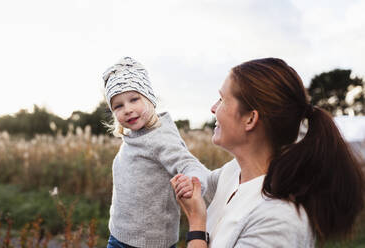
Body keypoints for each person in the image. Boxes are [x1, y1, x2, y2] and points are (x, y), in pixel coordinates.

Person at [171, 58, 365, 247]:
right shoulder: (234, 172)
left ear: (250, 119)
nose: (213, 108)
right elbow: (199, 182)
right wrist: (158, 130)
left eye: (222, 99)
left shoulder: (280, 221)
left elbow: (199, 204)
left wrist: (196, 225)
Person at [103, 57, 210, 248]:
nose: (127, 109)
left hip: (150, 243)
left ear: (150, 99)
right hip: (118, 236)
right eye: (118, 105)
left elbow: (189, 164)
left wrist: (193, 182)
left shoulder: (159, 137)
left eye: (134, 99)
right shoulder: (134, 135)